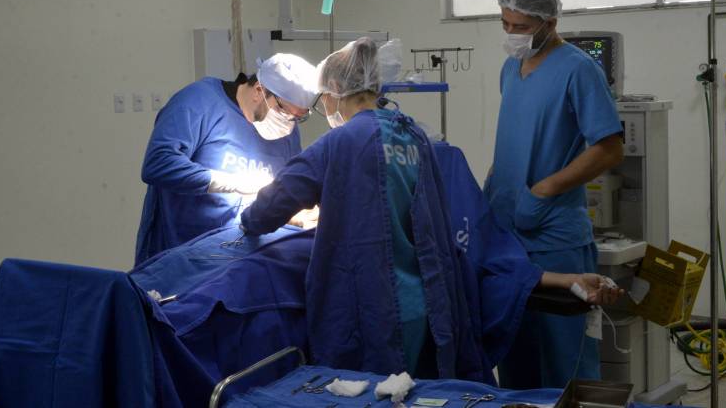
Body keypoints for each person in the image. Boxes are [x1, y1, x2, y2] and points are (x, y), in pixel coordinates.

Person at [241, 38, 621, 379]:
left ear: (335, 91)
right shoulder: (415, 137)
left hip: (369, 308)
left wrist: (249, 218)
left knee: (369, 393)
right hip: (424, 306)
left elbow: (271, 206)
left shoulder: (340, 142)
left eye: (322, 99)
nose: (324, 107)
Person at [484, 0, 625, 389]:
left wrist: (543, 190)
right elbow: (514, 138)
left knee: (566, 363)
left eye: (522, 26)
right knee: (516, 356)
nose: (512, 34)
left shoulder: (578, 69)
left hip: (554, 235)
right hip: (509, 235)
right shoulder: (511, 69)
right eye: (505, 24)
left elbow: (609, 149)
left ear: (550, 22)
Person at [134, 53, 318, 265]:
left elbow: (284, 188)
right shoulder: (200, 102)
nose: (288, 123)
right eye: (284, 112)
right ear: (259, 90)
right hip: (183, 259)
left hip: (243, 262)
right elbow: (158, 164)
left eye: (297, 117)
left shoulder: (286, 132)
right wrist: (230, 182)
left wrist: (292, 213)